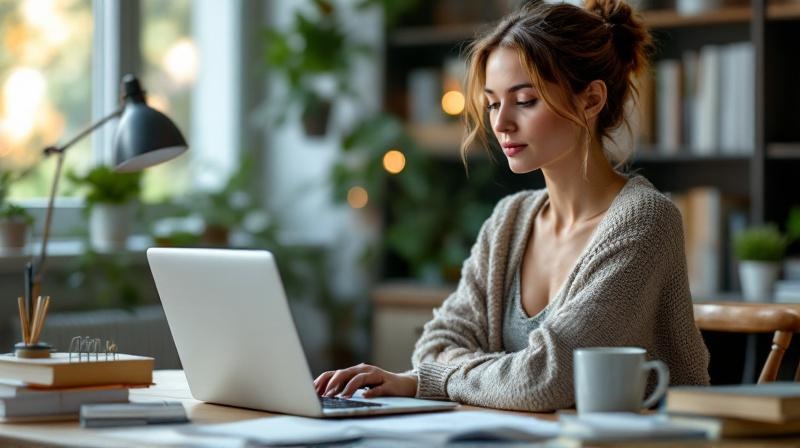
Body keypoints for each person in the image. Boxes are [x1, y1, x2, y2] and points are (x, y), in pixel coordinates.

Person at [314, 0, 710, 411]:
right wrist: (475, 371)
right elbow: (433, 347)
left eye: (524, 100)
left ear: (590, 100)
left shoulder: (645, 220)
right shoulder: (510, 220)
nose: (500, 123)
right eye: (492, 103)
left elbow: (545, 380)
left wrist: (431, 379)